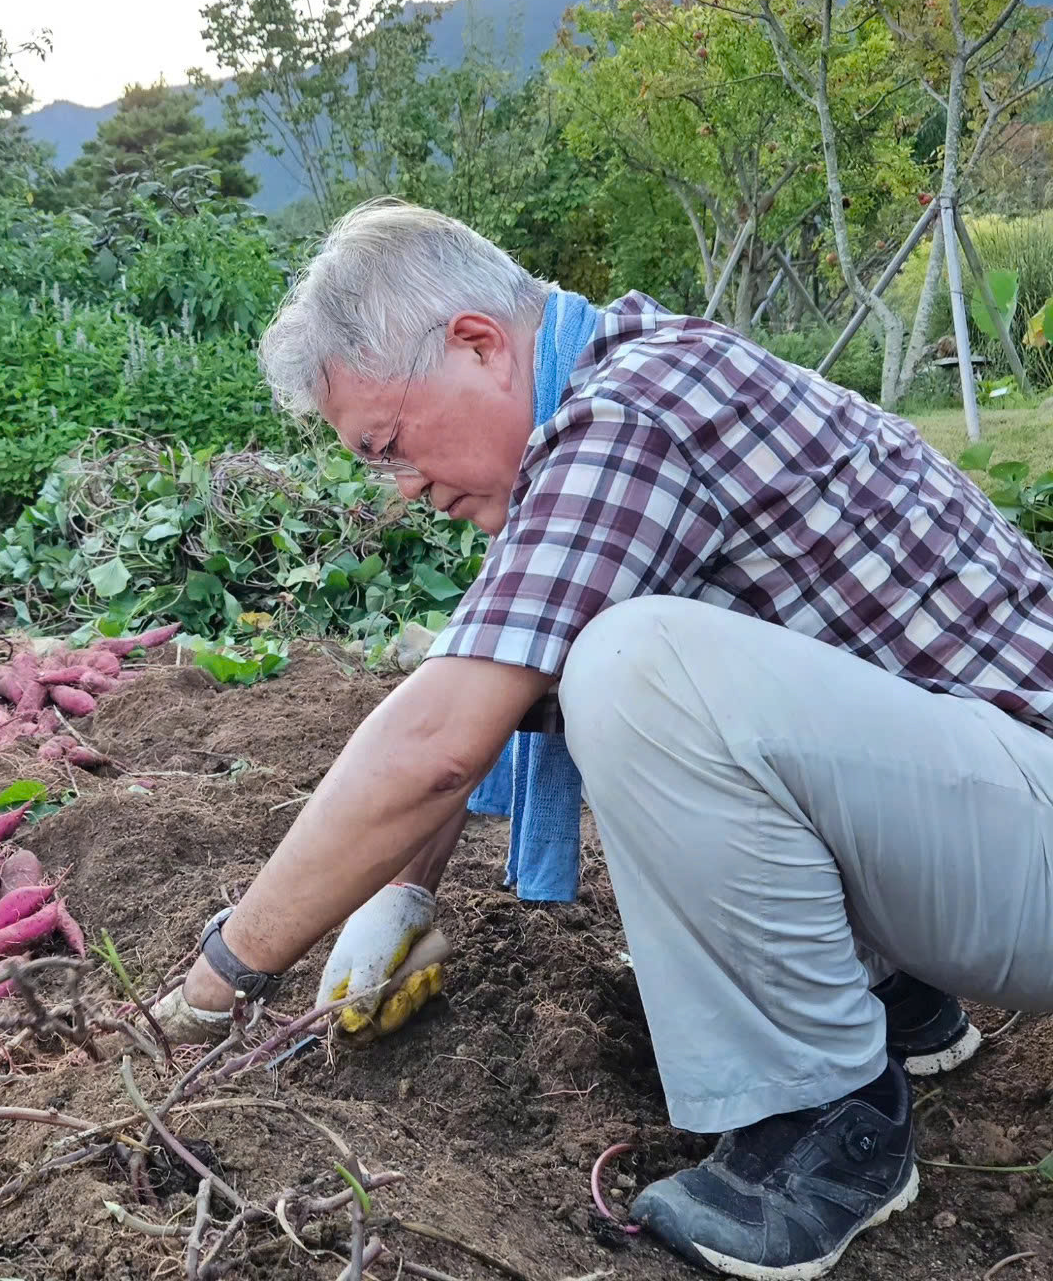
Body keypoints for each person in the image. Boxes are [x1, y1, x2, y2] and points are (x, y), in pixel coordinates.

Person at [150, 198, 1053, 1280]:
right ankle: (893, 1003)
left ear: (479, 345)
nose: (408, 492)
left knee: (639, 667)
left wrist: (216, 982)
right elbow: (485, 677)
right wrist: (404, 895)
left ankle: (828, 1125)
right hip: (997, 833)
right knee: (612, 664)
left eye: (390, 448)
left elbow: (441, 739)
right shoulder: (620, 392)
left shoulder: (633, 413)